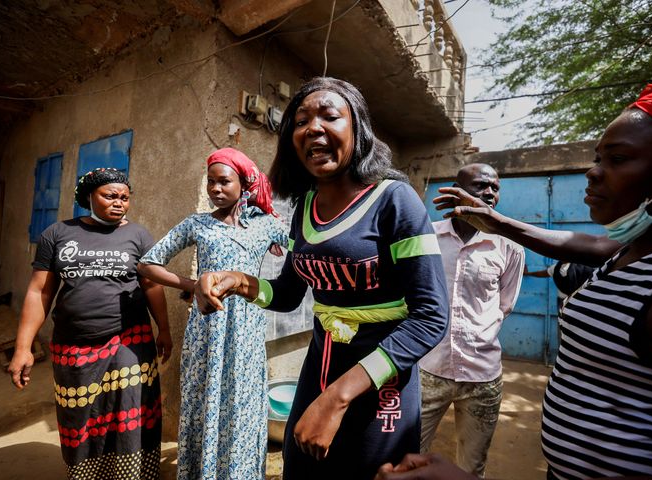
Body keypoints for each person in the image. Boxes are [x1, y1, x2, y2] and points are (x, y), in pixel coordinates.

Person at [376, 52, 652, 479]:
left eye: (618, 159)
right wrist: (498, 222)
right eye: (596, 158)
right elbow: (586, 244)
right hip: (434, 369)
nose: (593, 173)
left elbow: (504, 304)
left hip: (481, 370)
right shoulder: (634, 250)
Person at [194, 77, 450, 480]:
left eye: (330, 115)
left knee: (372, 473)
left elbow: (431, 316)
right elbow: (288, 295)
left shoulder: (394, 201)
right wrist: (239, 282)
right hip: (321, 366)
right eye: (301, 121)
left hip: (381, 380)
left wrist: (337, 399)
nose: (313, 127)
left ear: (358, 129)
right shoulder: (305, 207)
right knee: (303, 467)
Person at [8, 167, 172, 480]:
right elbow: (39, 292)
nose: (119, 203)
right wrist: (23, 348)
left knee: (130, 415)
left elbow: (152, 285)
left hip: (129, 340)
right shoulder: (57, 234)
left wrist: (162, 328)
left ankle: (132, 475)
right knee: (80, 416)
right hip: (74, 343)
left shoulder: (137, 235)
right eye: (110, 196)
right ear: (88, 197)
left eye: (125, 197)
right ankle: (88, 474)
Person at [137, 148, 287, 479]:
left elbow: (306, 250)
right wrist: (194, 286)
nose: (216, 189)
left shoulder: (265, 226)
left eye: (224, 182)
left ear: (244, 184)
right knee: (203, 400)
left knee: (241, 404)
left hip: (246, 329)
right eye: (211, 182)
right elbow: (147, 263)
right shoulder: (197, 224)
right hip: (207, 327)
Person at [418, 163, 524, 478]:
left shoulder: (509, 245)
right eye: (480, 185)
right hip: (429, 370)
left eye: (495, 187)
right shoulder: (429, 237)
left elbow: (504, 304)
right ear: (458, 189)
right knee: (410, 456)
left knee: (472, 466)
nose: (490, 192)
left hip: (483, 377)